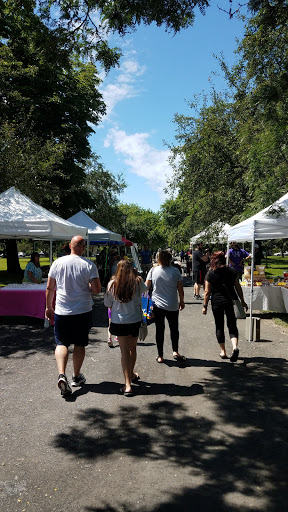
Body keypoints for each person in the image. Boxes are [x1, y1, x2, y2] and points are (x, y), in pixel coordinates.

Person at [45, 236, 101, 397]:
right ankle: (76, 376)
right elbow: (97, 290)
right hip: (82, 310)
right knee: (79, 344)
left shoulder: (57, 263)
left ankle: (61, 374)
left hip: (62, 310)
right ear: (84, 248)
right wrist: (88, 287)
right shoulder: (89, 265)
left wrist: (49, 307)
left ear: (70, 246)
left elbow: (50, 287)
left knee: (61, 343)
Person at [104, 259, 147, 396]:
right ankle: (132, 373)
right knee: (132, 348)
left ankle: (127, 384)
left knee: (124, 351)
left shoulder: (112, 284)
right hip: (134, 320)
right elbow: (146, 293)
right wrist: (136, 275)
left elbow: (108, 304)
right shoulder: (138, 282)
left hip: (119, 321)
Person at [202, 251, 248, 362]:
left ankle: (223, 352)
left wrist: (205, 305)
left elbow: (207, 291)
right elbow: (238, 287)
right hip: (230, 301)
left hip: (217, 302)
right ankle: (235, 347)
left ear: (214, 259)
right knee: (232, 324)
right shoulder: (232, 271)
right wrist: (242, 301)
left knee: (219, 325)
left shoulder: (211, 273)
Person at [146, 250, 185, 364]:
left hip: (157, 305)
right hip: (172, 304)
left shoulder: (153, 270)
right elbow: (180, 290)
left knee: (159, 330)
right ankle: (175, 351)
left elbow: (146, 286)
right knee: (174, 329)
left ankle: (160, 355)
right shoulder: (175, 271)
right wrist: (182, 301)